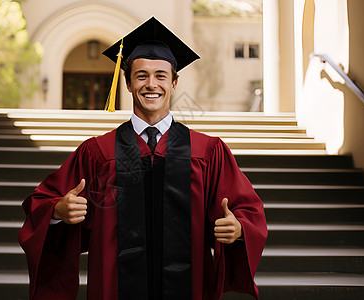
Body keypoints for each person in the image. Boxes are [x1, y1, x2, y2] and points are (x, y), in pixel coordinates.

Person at [19, 17, 267, 300]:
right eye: (141, 75)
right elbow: (41, 203)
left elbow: (247, 210)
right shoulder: (98, 153)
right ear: (127, 83)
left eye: (161, 75)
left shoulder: (207, 152)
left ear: (174, 83)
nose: (152, 84)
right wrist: (57, 212)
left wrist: (238, 229)